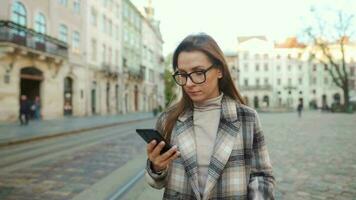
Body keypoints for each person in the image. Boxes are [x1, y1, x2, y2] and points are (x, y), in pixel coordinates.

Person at [145, 33, 275, 200]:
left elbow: (262, 176)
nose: (189, 83)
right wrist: (157, 166)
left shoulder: (247, 118)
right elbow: (157, 183)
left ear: (219, 70)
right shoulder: (167, 119)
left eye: (198, 72)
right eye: (182, 74)